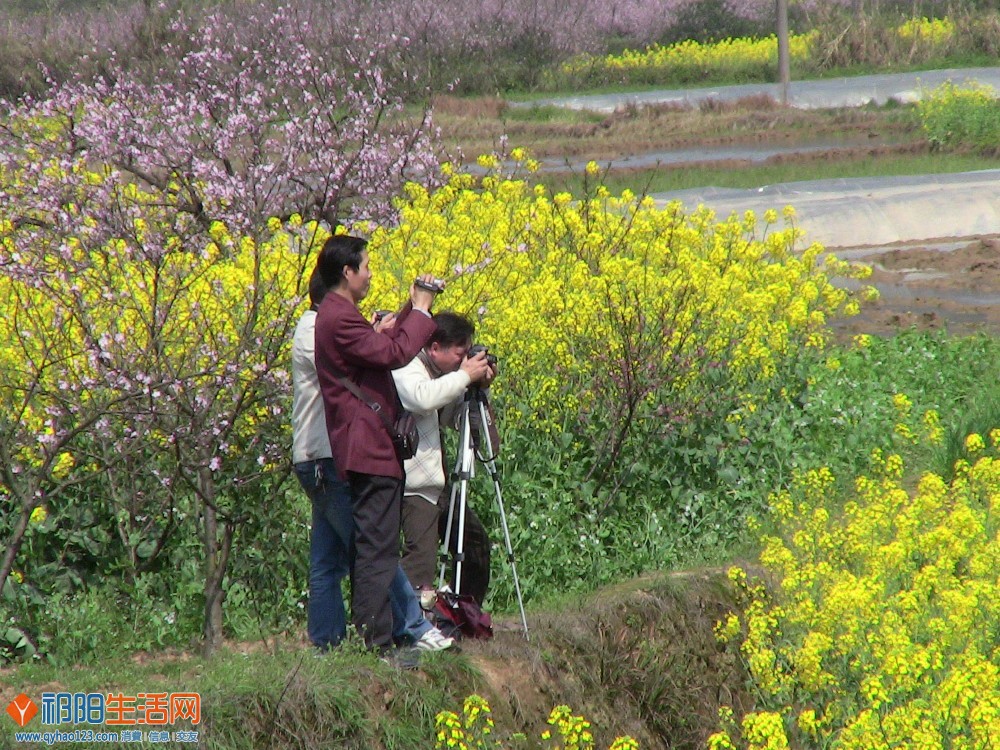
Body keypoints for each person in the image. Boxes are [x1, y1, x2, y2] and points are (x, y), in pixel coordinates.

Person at [292, 260, 454, 654]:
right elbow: (376, 357)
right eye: (363, 267)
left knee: (330, 559)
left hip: (319, 454)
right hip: (328, 454)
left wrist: (379, 330)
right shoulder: (317, 328)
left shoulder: (322, 326)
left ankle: (327, 646)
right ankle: (411, 627)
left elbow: (369, 351)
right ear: (340, 280)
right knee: (374, 549)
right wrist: (408, 318)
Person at [392, 311, 496, 606]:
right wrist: (464, 376)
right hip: (413, 485)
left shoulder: (443, 375)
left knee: (475, 543)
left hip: (438, 483)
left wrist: (476, 386)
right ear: (435, 347)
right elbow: (423, 398)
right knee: (420, 562)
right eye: (460, 354)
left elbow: (453, 418)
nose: (463, 362)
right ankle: (407, 627)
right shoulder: (407, 364)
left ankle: (462, 614)